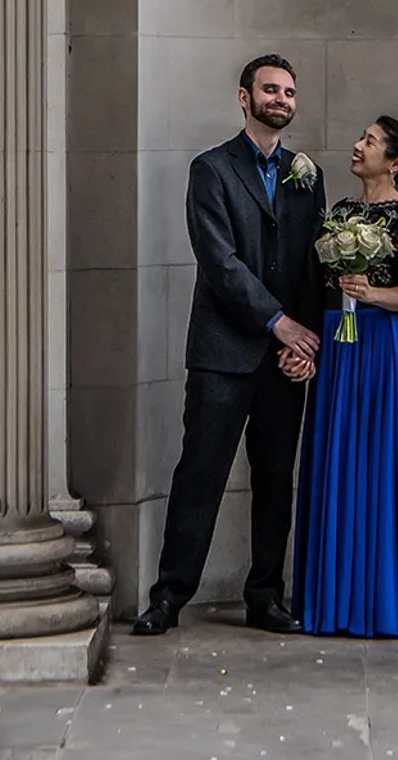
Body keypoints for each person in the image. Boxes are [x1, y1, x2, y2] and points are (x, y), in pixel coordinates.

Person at [133, 54, 327, 636]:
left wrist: (306, 343)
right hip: (223, 355)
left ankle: (266, 596)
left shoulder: (306, 176)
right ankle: (169, 597)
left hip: (284, 361)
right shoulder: (211, 170)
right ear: (245, 98)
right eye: (271, 89)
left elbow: (316, 265)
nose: (282, 99)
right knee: (201, 475)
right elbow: (220, 263)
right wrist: (279, 323)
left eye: (289, 92)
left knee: (275, 481)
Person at [281, 116, 398, 638]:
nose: (357, 146)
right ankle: (334, 602)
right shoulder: (340, 212)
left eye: (369, 141)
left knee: (383, 465)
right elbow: (317, 286)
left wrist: (369, 295)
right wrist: (308, 345)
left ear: (395, 162)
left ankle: (380, 601)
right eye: (360, 138)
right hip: (339, 348)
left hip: (384, 349)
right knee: (336, 459)